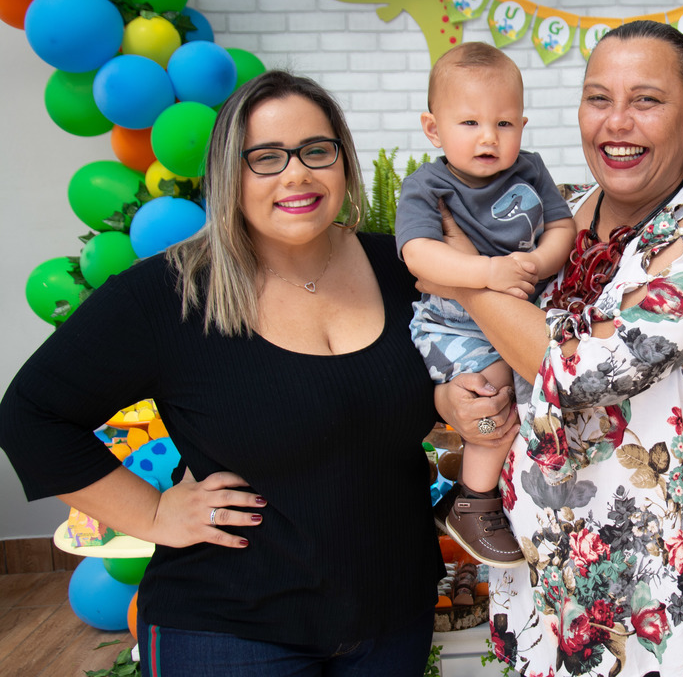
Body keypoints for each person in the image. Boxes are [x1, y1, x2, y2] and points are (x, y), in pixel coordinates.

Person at [0, 71, 445, 675]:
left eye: (316, 150)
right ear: (227, 173)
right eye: (265, 157)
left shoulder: (406, 268)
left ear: (343, 160)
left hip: (391, 619)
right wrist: (153, 514)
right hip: (228, 629)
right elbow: (31, 415)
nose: (296, 174)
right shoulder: (172, 293)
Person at [429, 20, 683, 677]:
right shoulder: (546, 224)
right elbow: (485, 352)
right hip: (539, 591)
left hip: (653, 606)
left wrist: (460, 272)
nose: (617, 123)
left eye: (647, 100)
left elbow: (578, 371)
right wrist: (454, 400)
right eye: (598, 98)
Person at [396, 42, 575, 568]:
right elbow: (418, 254)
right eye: (470, 122)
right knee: (494, 393)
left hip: (516, 312)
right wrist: (488, 274)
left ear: (522, 125)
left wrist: (538, 261)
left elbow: (562, 226)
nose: (488, 137)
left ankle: (483, 480)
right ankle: (473, 501)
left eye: (503, 123)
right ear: (433, 129)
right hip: (451, 321)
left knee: (528, 394)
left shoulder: (530, 171)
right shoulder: (428, 185)